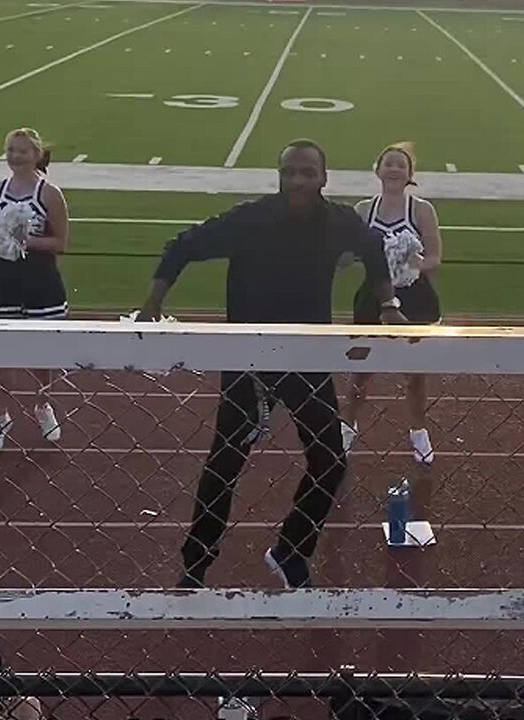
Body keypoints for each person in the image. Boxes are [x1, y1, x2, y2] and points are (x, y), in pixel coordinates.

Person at [140, 139, 406, 589]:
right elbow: (183, 245)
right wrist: (151, 305)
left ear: (324, 178)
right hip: (249, 360)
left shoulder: (340, 222)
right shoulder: (251, 219)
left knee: (330, 462)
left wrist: (389, 304)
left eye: (307, 172)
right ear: (279, 176)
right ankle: (195, 565)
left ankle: (290, 551)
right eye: (290, 172)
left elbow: (373, 246)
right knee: (225, 463)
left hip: (307, 358)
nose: (298, 181)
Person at [343, 142, 443, 464]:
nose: (394, 169)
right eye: (389, 163)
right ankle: (347, 426)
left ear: (410, 174)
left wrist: (408, 265)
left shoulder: (422, 209)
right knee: (361, 367)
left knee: (414, 372)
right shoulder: (362, 210)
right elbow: (348, 255)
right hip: (373, 296)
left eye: (401, 165)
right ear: (378, 170)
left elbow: (436, 258)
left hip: (415, 297)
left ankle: (418, 430)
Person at [0, 128, 70, 456]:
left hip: (42, 284)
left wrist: (24, 242)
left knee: (43, 353)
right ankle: (0, 417)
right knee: (2, 354)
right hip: (4, 283)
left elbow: (61, 243)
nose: (15, 157)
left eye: (22, 151)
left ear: (36, 155)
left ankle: (43, 406)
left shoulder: (50, 194)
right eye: (11, 151)